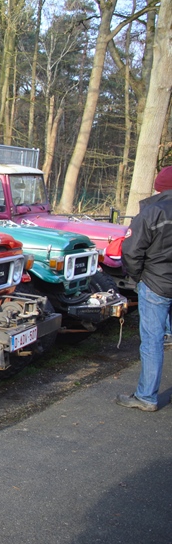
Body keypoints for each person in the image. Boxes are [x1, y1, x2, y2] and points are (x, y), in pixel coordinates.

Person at [117, 165, 172, 412]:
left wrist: (139, 277)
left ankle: (146, 396)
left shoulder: (152, 212)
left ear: (159, 187)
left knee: (152, 341)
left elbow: (131, 250)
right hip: (159, 279)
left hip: (155, 283)